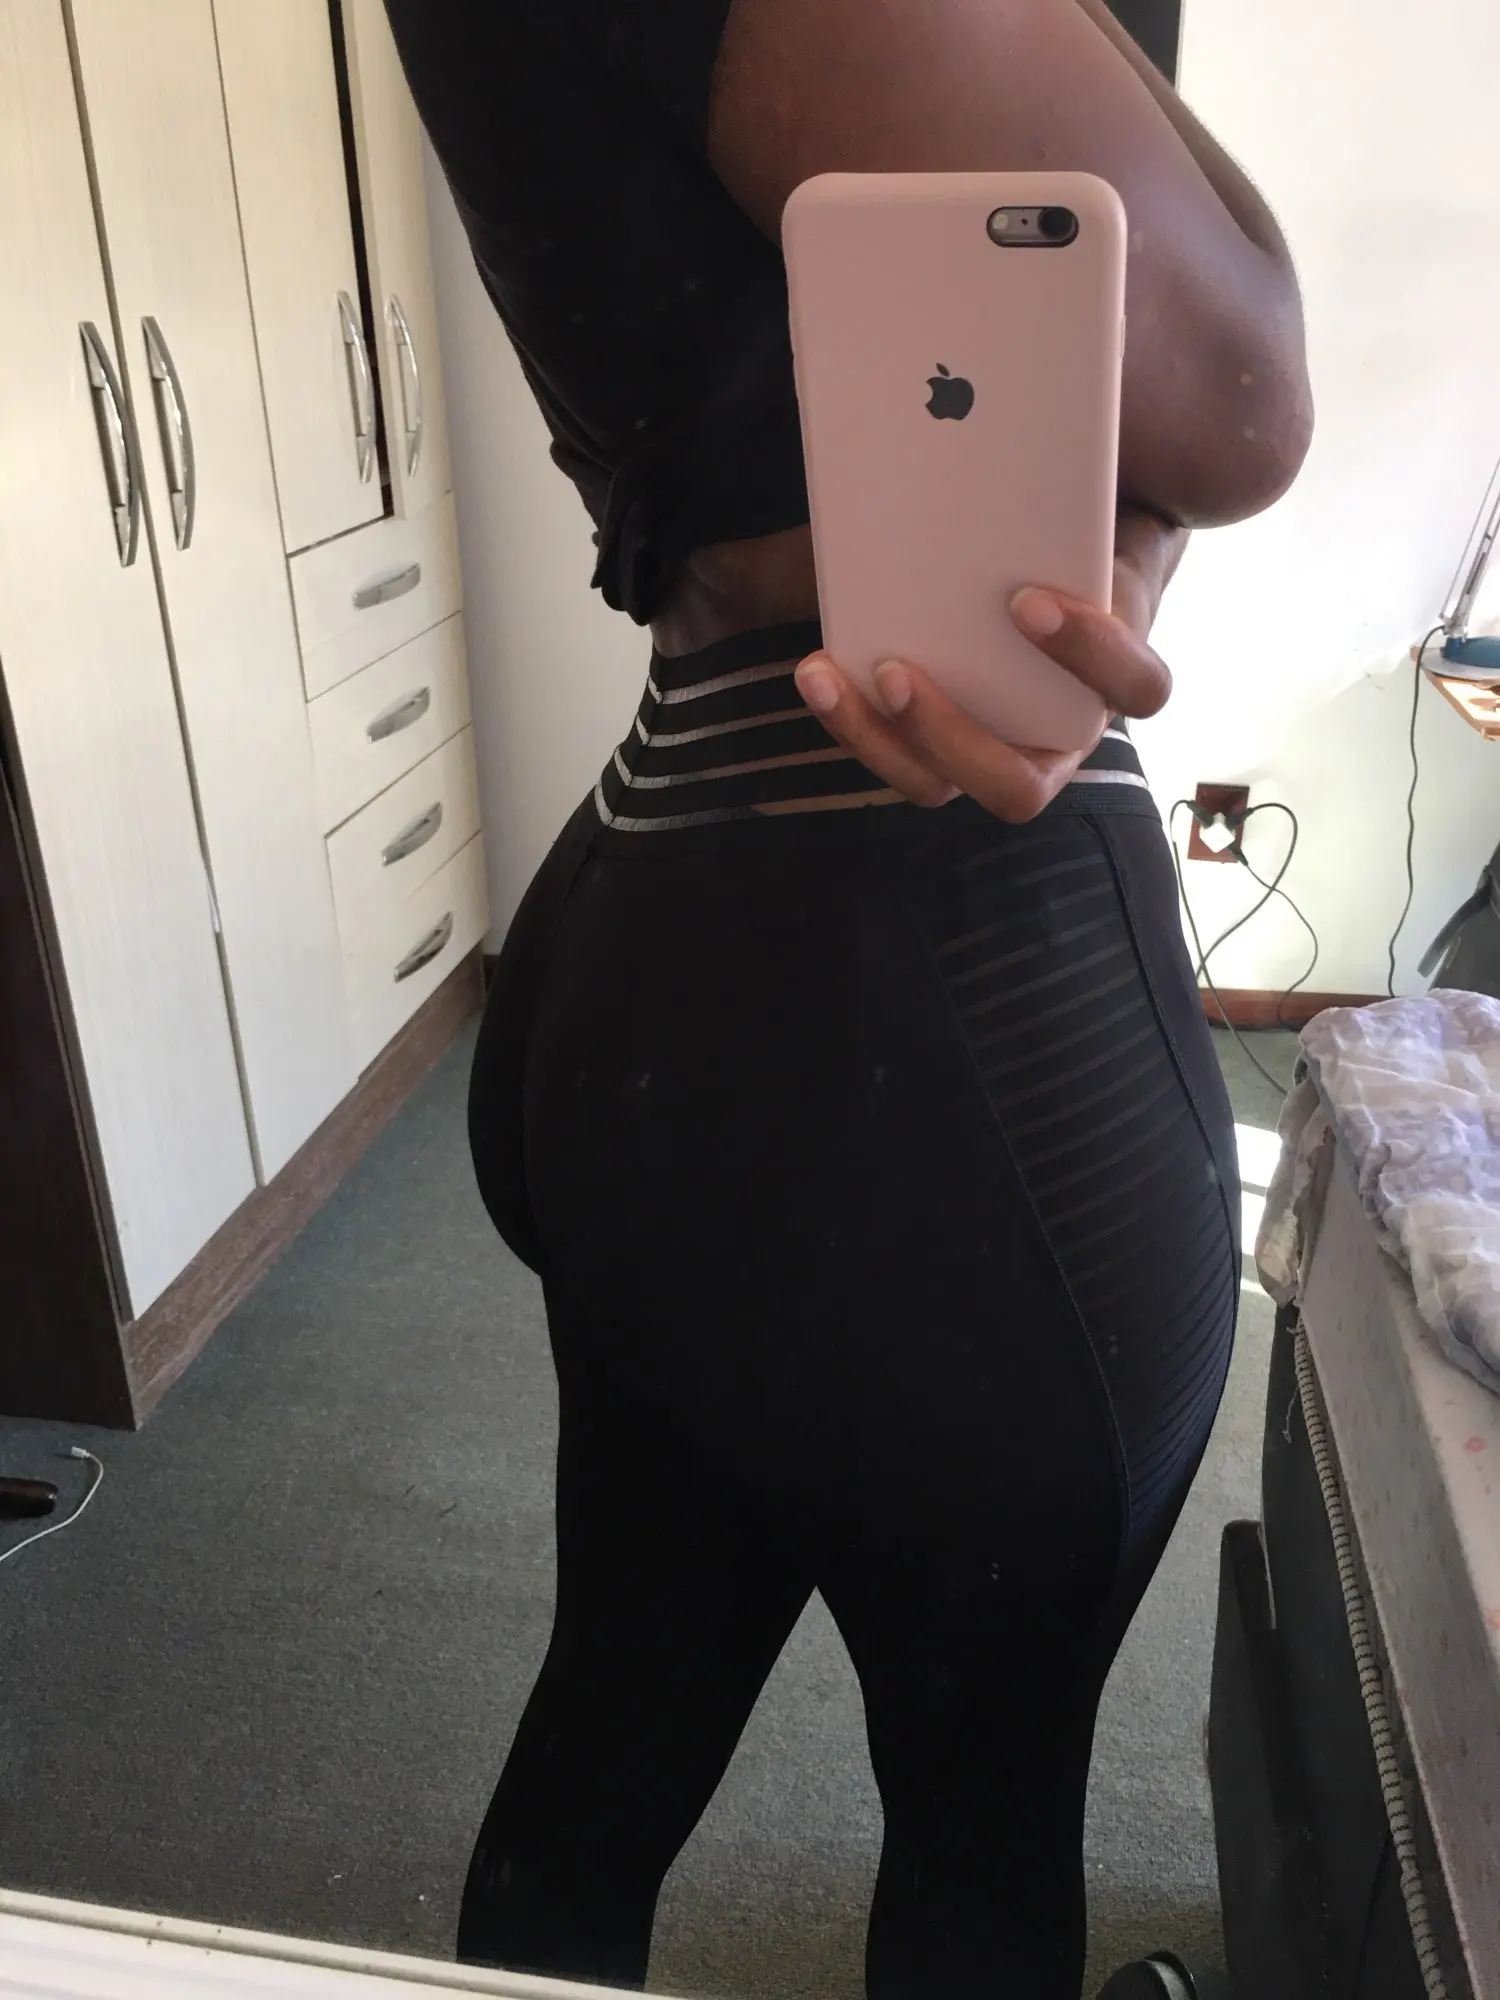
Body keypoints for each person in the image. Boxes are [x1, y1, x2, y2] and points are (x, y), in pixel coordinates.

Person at [382, 3, 1313, 1995]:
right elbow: (1238, 394)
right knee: (983, 1823)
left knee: (611, 1730)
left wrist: (1128, 525)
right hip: (949, 1009)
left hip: (665, 915)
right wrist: (1172, 452)